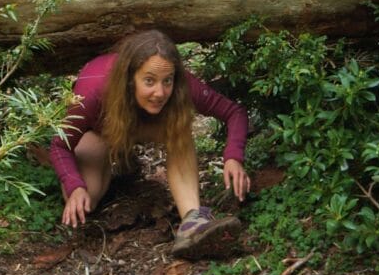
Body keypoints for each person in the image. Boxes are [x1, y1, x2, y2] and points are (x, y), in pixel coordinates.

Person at [49, 29, 251, 260]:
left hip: (151, 126)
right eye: (149, 81)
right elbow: (59, 145)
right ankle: (117, 165)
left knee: (180, 129)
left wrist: (233, 156)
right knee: (88, 198)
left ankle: (192, 221)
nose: (160, 92)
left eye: (167, 81)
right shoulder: (94, 90)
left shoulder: (182, 86)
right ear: (129, 78)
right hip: (102, 132)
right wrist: (75, 186)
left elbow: (234, 112)